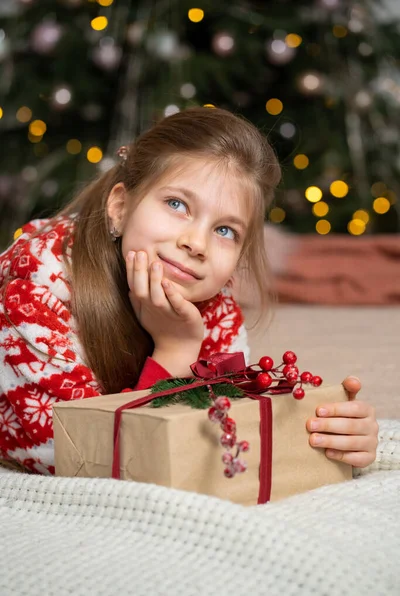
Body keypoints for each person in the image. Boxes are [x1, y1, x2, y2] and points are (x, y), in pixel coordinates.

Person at [0, 107, 378, 475]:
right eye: (177, 204)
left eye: (225, 230)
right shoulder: (35, 287)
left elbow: (221, 431)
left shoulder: (215, 308)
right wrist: (176, 351)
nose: (197, 243)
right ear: (119, 206)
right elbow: (80, 456)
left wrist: (325, 433)